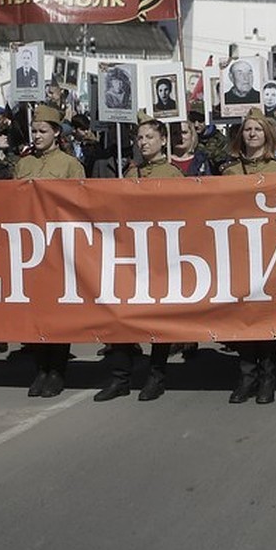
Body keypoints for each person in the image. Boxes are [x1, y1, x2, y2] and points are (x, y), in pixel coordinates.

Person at [95, 118, 187, 403]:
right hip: (129, 253)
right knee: (121, 315)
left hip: (160, 254)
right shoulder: (131, 171)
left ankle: (156, 376)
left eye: (149, 137)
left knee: (158, 319)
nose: (143, 142)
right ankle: (120, 377)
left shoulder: (172, 175)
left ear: (162, 141)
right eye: (139, 137)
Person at [14, 105, 85, 398]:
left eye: (43, 131)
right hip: (29, 243)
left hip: (59, 244)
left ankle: (57, 369)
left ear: (56, 133)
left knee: (57, 310)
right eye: (34, 131)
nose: (37, 136)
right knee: (35, 309)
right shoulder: (24, 164)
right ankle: (40, 367)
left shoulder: (70, 165)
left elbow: (82, 203)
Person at [222, 109, 276, 404]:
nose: (251, 134)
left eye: (257, 130)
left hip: (271, 251)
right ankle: (247, 375)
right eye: (247, 129)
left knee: (266, 317)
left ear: (268, 135)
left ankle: (267, 377)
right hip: (238, 250)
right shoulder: (229, 172)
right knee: (243, 317)